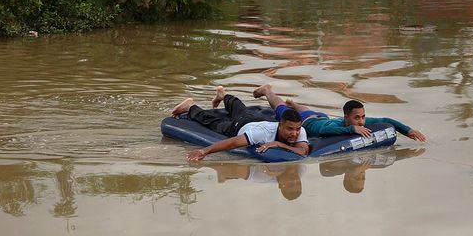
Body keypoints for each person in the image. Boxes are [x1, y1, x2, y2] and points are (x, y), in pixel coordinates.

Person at [171, 87, 310, 162]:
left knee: (240, 108)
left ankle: (222, 94)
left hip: (258, 119)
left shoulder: (300, 130)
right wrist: (203, 151)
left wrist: (278, 144)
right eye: (290, 129)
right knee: (215, 123)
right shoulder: (262, 134)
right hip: (243, 125)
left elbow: (303, 152)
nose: (295, 133)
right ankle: (191, 106)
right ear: (280, 125)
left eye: (297, 129)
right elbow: (232, 143)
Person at [253, 84, 427, 142]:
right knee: (280, 108)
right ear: (346, 118)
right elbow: (323, 131)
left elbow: (385, 119)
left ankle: (294, 103)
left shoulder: (361, 123)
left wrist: (408, 130)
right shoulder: (336, 125)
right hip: (308, 122)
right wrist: (351, 130)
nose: (361, 122)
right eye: (356, 118)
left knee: (306, 110)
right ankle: (268, 91)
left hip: (320, 115)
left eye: (363, 117)